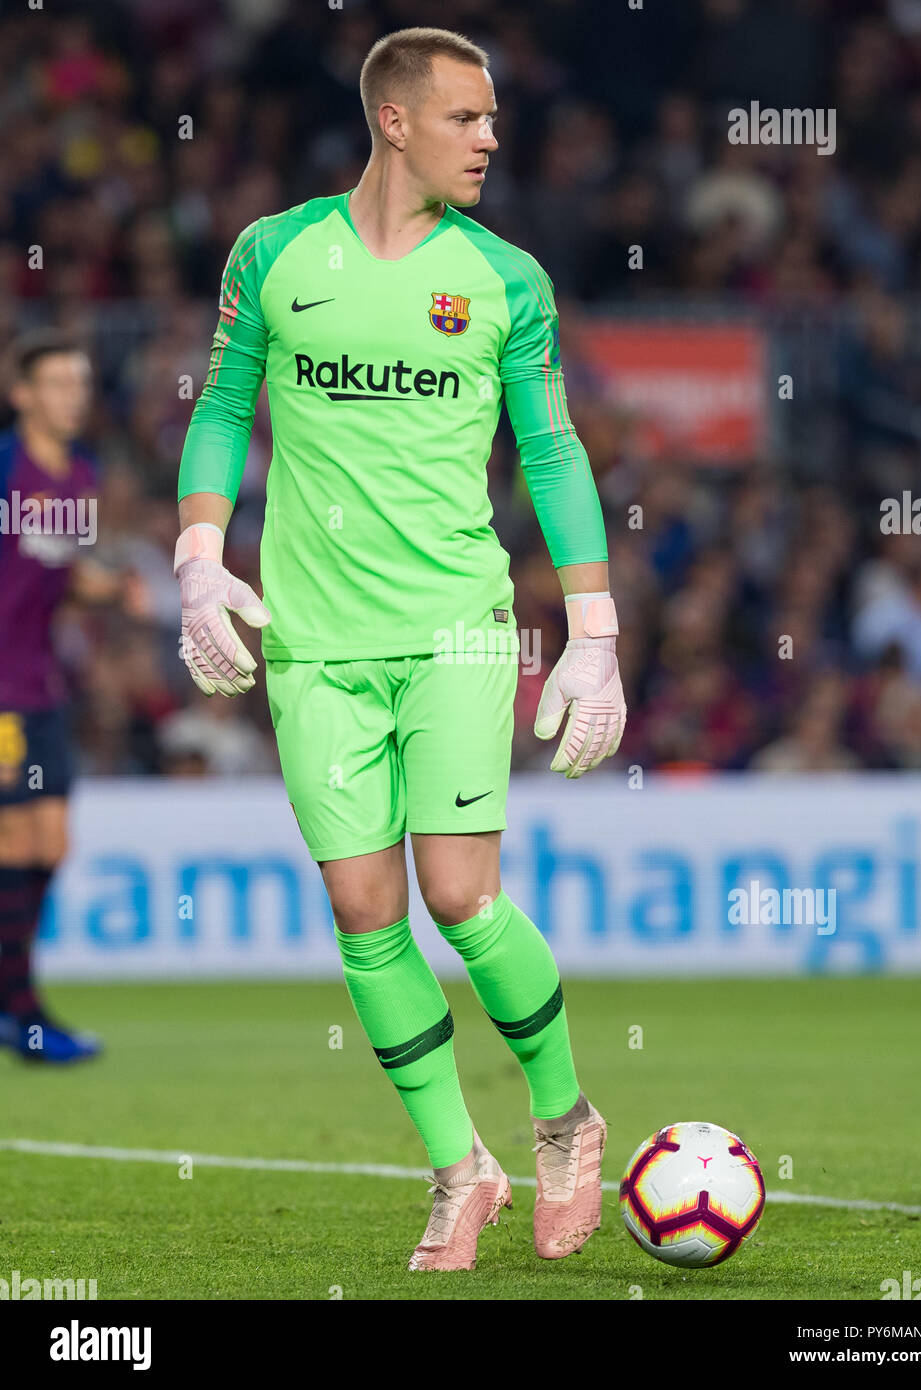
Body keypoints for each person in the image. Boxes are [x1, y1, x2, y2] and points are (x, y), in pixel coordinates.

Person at [175, 26, 626, 1271]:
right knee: (363, 913)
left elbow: (551, 451)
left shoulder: (506, 279)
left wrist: (592, 632)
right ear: (393, 119)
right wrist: (200, 552)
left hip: (455, 631)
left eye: (492, 120)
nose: (489, 138)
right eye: (467, 117)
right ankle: (455, 1165)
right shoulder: (273, 253)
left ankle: (562, 1116)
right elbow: (222, 403)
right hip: (313, 639)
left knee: (458, 898)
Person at [0, 330, 112, 1063]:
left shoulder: (80, 477)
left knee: (52, 845)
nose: (74, 395)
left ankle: (18, 1004)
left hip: (41, 684)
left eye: (81, 382)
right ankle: (23, 1015)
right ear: (23, 394)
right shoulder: (5, 469)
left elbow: (62, 574)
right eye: (59, 383)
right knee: (14, 844)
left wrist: (110, 588)